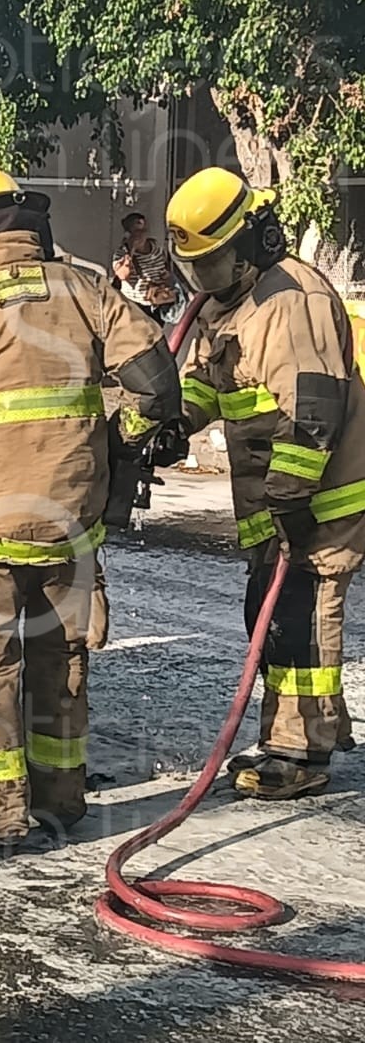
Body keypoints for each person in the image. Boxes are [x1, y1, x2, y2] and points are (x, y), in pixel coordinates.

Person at [0, 166, 180, 849]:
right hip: (69, 532)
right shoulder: (88, 293)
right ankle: (61, 800)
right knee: (61, 670)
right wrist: (120, 441)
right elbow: (157, 384)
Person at [168, 167, 364, 799]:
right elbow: (207, 380)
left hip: (320, 493)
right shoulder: (227, 306)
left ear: (256, 239)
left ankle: (297, 754)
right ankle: (319, 728)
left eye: (215, 263)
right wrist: (172, 423)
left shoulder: (291, 299)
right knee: (273, 611)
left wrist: (291, 494)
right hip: (271, 496)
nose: (204, 280)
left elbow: (314, 411)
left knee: (301, 611)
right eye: (195, 267)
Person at [113, 211, 179, 323]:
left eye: (144, 230)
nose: (142, 235)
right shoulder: (121, 254)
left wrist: (167, 277)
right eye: (137, 231)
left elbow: (165, 266)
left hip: (160, 302)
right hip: (138, 306)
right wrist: (131, 251)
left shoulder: (156, 247)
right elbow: (122, 275)